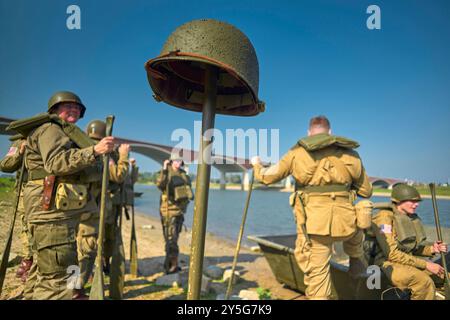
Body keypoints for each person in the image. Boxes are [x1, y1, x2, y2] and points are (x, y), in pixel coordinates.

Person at [251, 115, 373, 299]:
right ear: (329, 132)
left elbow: (266, 178)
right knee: (358, 221)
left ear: (309, 132)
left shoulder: (297, 152)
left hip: (316, 226)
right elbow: (366, 191)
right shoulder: (351, 154)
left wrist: (256, 164)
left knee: (318, 280)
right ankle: (355, 257)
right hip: (347, 223)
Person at [22, 91, 115, 299]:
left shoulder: (65, 133)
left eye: (77, 108)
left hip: (59, 213)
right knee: (56, 283)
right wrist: (94, 151)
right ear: (54, 110)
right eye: (67, 106)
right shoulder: (51, 129)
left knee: (51, 270)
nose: (74, 109)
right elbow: (55, 163)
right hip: (51, 213)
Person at [74, 120, 129, 299]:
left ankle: (76, 287)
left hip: (79, 209)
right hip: (89, 212)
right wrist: (124, 156)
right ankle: (75, 289)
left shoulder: (81, 150)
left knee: (80, 250)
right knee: (85, 251)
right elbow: (118, 176)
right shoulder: (101, 154)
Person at [366, 184, 448, 300]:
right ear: (399, 201)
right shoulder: (384, 218)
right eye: (412, 201)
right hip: (384, 264)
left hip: (403, 261)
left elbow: (409, 248)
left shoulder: (408, 217)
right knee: (423, 282)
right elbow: (392, 254)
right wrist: (426, 264)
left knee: (444, 276)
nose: (416, 204)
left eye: (417, 201)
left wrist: (432, 249)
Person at [0, 133, 33, 282]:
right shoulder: (21, 141)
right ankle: (28, 260)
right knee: (27, 227)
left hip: (52, 191)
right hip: (26, 191)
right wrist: (20, 152)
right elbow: (5, 164)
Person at [156, 153, 193, 274]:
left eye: (180, 161)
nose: (178, 163)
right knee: (170, 239)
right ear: (171, 161)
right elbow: (160, 184)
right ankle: (170, 266)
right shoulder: (166, 172)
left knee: (174, 239)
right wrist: (164, 169)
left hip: (180, 212)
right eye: (175, 161)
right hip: (169, 212)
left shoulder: (183, 174)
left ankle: (172, 264)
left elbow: (188, 190)